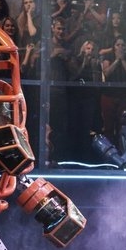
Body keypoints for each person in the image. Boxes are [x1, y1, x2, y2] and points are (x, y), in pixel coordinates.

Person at [67, 39, 103, 162]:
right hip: (75, 98)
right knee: (74, 127)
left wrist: (94, 66)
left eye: (92, 49)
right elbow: (74, 76)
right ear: (83, 49)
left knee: (86, 128)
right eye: (88, 48)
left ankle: (84, 157)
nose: (90, 51)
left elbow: (98, 82)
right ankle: (72, 157)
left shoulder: (95, 63)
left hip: (89, 99)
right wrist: (84, 63)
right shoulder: (75, 59)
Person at [49, 17, 77, 164]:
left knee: (60, 127)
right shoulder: (46, 44)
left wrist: (66, 58)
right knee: (47, 126)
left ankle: (58, 159)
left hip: (62, 92)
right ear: (53, 28)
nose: (61, 31)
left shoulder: (68, 47)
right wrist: (54, 54)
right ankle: (46, 158)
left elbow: (75, 72)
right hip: (47, 91)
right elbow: (36, 63)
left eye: (63, 29)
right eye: (58, 28)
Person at [100, 36, 126, 147]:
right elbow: (106, 73)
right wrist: (116, 60)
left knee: (122, 125)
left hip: (124, 96)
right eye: (118, 45)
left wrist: (122, 60)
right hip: (109, 96)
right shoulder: (108, 57)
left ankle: (122, 149)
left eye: (123, 45)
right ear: (114, 47)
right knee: (108, 126)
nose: (120, 47)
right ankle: (109, 150)